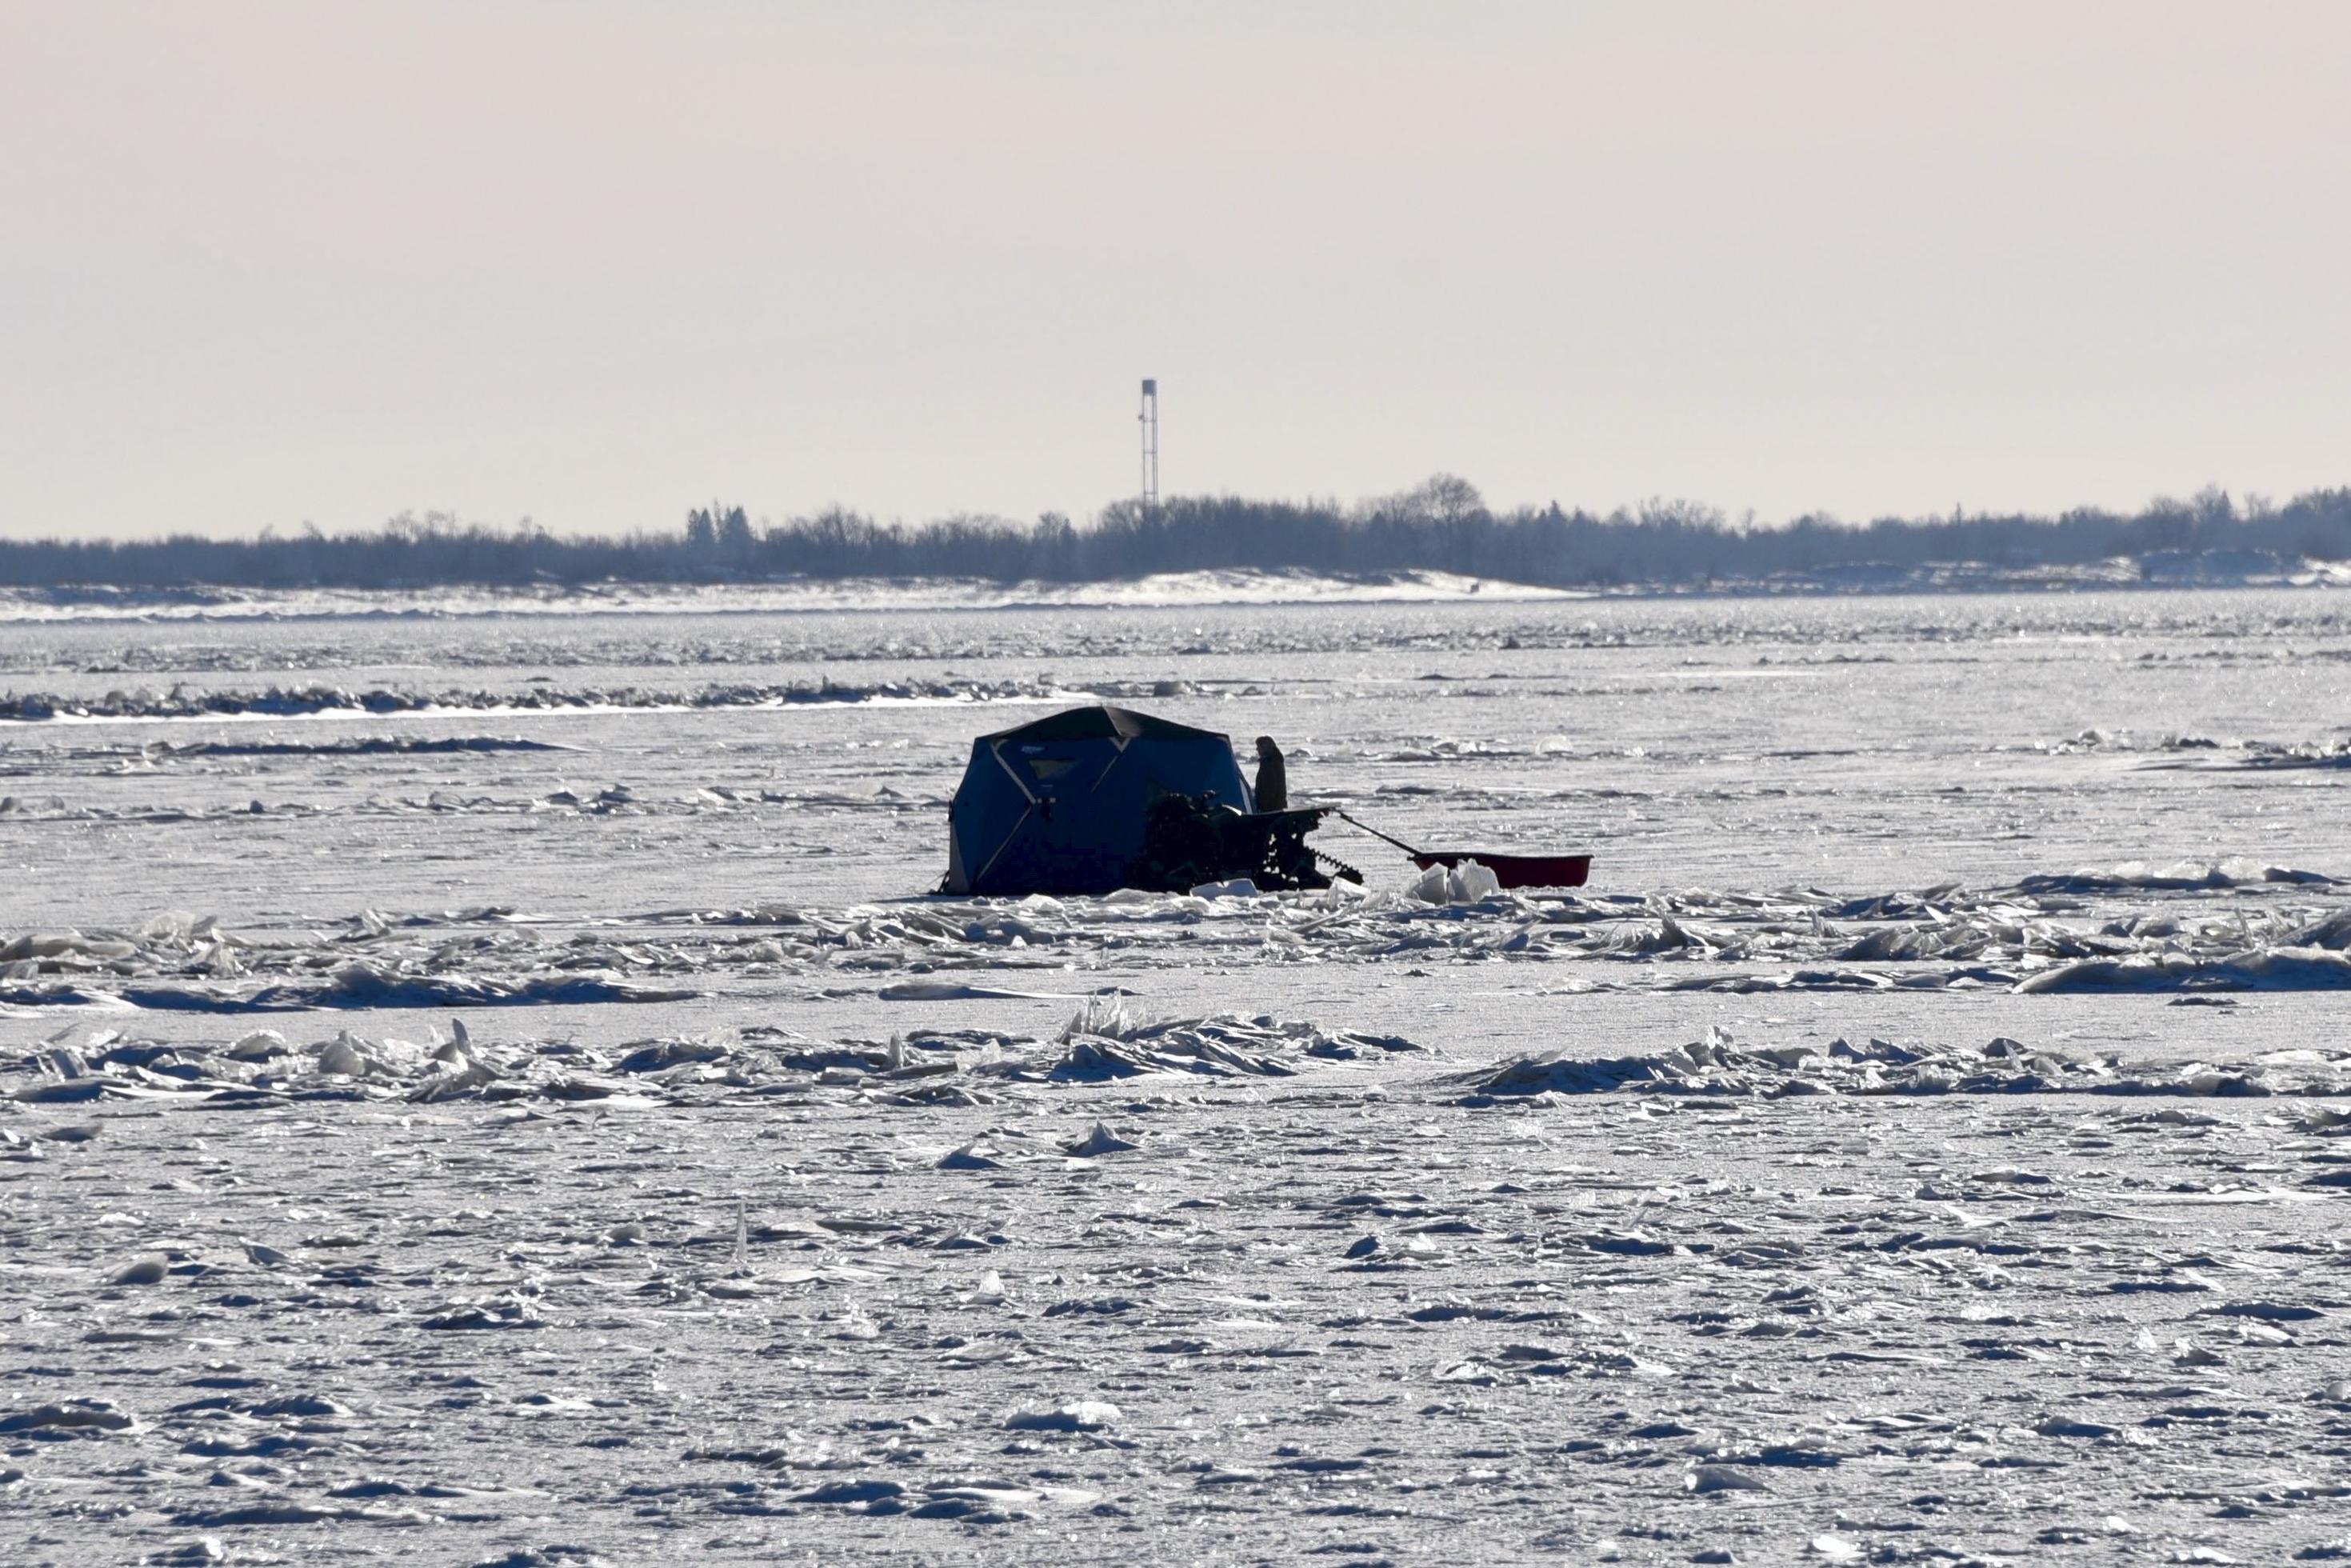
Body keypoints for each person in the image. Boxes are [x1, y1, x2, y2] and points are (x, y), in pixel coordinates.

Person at [1253, 735, 1288, 812]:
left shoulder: (1270, 763)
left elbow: (1270, 787)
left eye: (1259, 747)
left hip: (1271, 808)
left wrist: (1263, 804)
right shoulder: (1272, 761)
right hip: (1274, 806)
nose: (1257, 749)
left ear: (1265, 747)